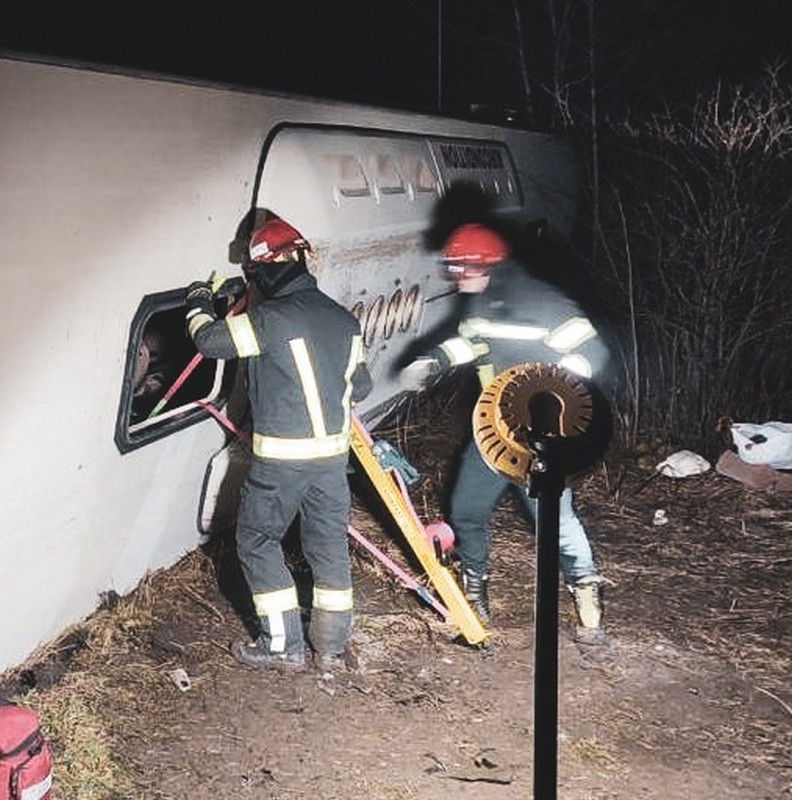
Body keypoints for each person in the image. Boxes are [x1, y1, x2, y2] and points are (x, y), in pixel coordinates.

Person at [395, 223, 610, 643]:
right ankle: (475, 597)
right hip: (492, 428)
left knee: (554, 521)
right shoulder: (481, 304)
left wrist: (551, 389)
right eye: (453, 269)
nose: (457, 278)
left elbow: (594, 355)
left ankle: (588, 604)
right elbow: (471, 345)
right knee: (465, 510)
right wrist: (435, 361)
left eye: (462, 269)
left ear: (487, 265)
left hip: (542, 436)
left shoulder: (545, 304)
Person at [185, 215, 372, 671]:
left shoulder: (268, 319)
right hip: (332, 461)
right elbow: (361, 387)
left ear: (263, 270)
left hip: (281, 464)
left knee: (257, 540)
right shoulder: (343, 320)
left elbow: (210, 341)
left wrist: (198, 302)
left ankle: (280, 646)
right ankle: (330, 646)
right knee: (327, 547)